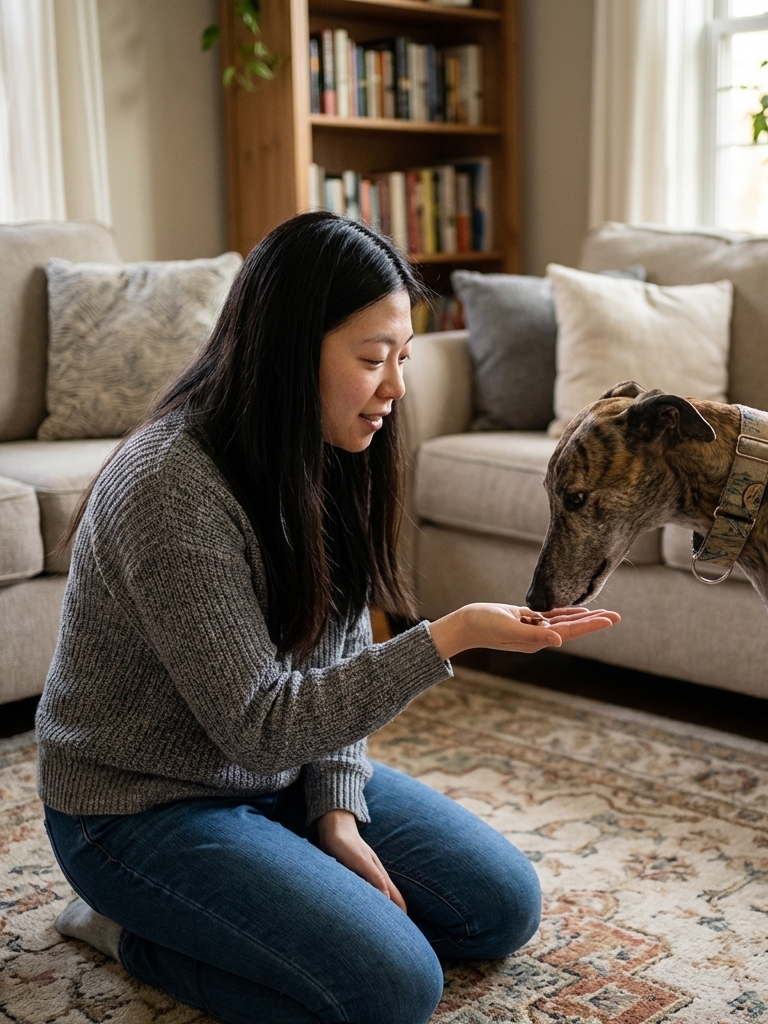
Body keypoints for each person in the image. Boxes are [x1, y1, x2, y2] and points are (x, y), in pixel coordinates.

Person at [37, 212, 619, 1024]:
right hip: (139, 809)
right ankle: (125, 929)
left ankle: (266, 876)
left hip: (275, 775)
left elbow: (335, 657)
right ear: (287, 352)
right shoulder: (169, 488)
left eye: (403, 357)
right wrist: (447, 637)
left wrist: (335, 812)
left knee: (501, 908)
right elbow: (261, 725)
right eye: (373, 359)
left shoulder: (331, 451)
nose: (396, 388)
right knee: (391, 990)